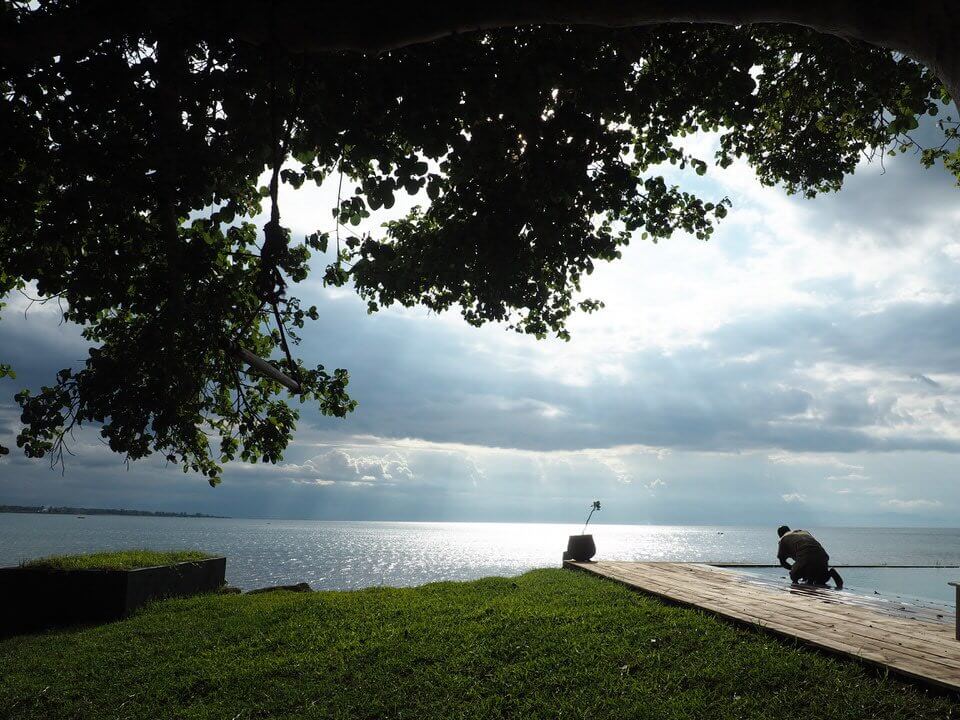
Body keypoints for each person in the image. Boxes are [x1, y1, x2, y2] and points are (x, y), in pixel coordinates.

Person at [776, 525, 843, 589]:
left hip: (806, 556)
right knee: (821, 580)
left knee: (794, 576)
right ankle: (830, 573)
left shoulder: (783, 539)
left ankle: (806, 574)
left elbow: (782, 561)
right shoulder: (804, 532)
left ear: (780, 535)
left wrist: (793, 569)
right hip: (822, 555)